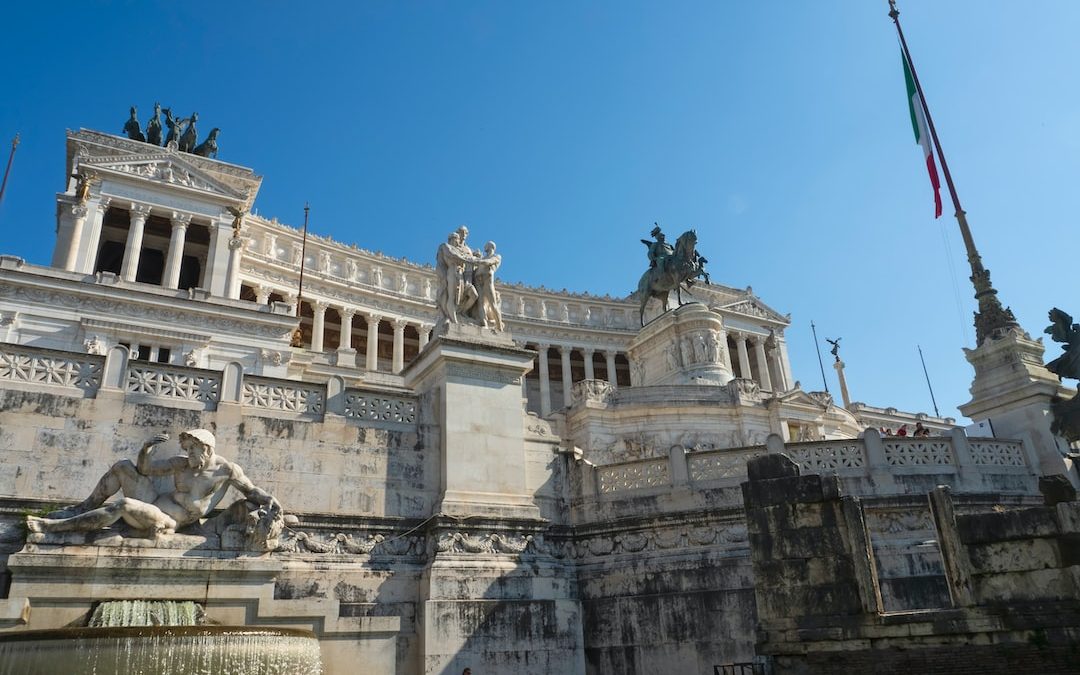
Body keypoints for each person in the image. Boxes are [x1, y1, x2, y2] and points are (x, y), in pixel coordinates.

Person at [26, 429, 281, 540]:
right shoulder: (181, 463)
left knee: (124, 505)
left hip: (169, 520)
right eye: (187, 449)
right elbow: (145, 469)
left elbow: (250, 490)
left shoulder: (227, 470)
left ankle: (55, 528)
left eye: (192, 449)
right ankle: (81, 508)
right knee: (123, 466)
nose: (188, 454)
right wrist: (146, 448)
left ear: (206, 449)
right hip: (153, 502)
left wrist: (269, 499)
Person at [472, 241, 503, 330]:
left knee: (493, 304)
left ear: (490, 247)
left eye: (486, 245)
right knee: (480, 303)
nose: (484, 247)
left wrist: (478, 260)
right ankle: (484, 323)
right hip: (478, 281)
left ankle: (499, 325)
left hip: (487, 281)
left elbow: (489, 262)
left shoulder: (496, 256)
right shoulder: (483, 258)